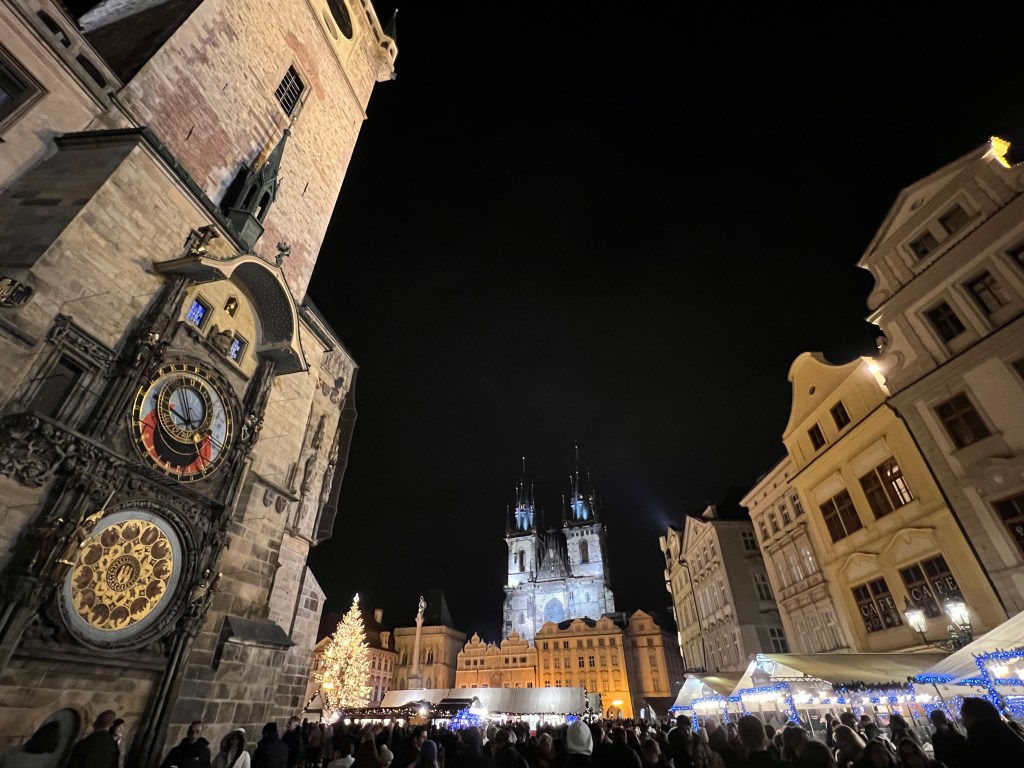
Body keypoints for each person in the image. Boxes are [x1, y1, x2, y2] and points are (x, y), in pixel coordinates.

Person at [960, 697, 1024, 767]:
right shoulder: (1006, 732)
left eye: (964, 718)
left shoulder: (979, 739)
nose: (963, 723)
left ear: (972, 718)